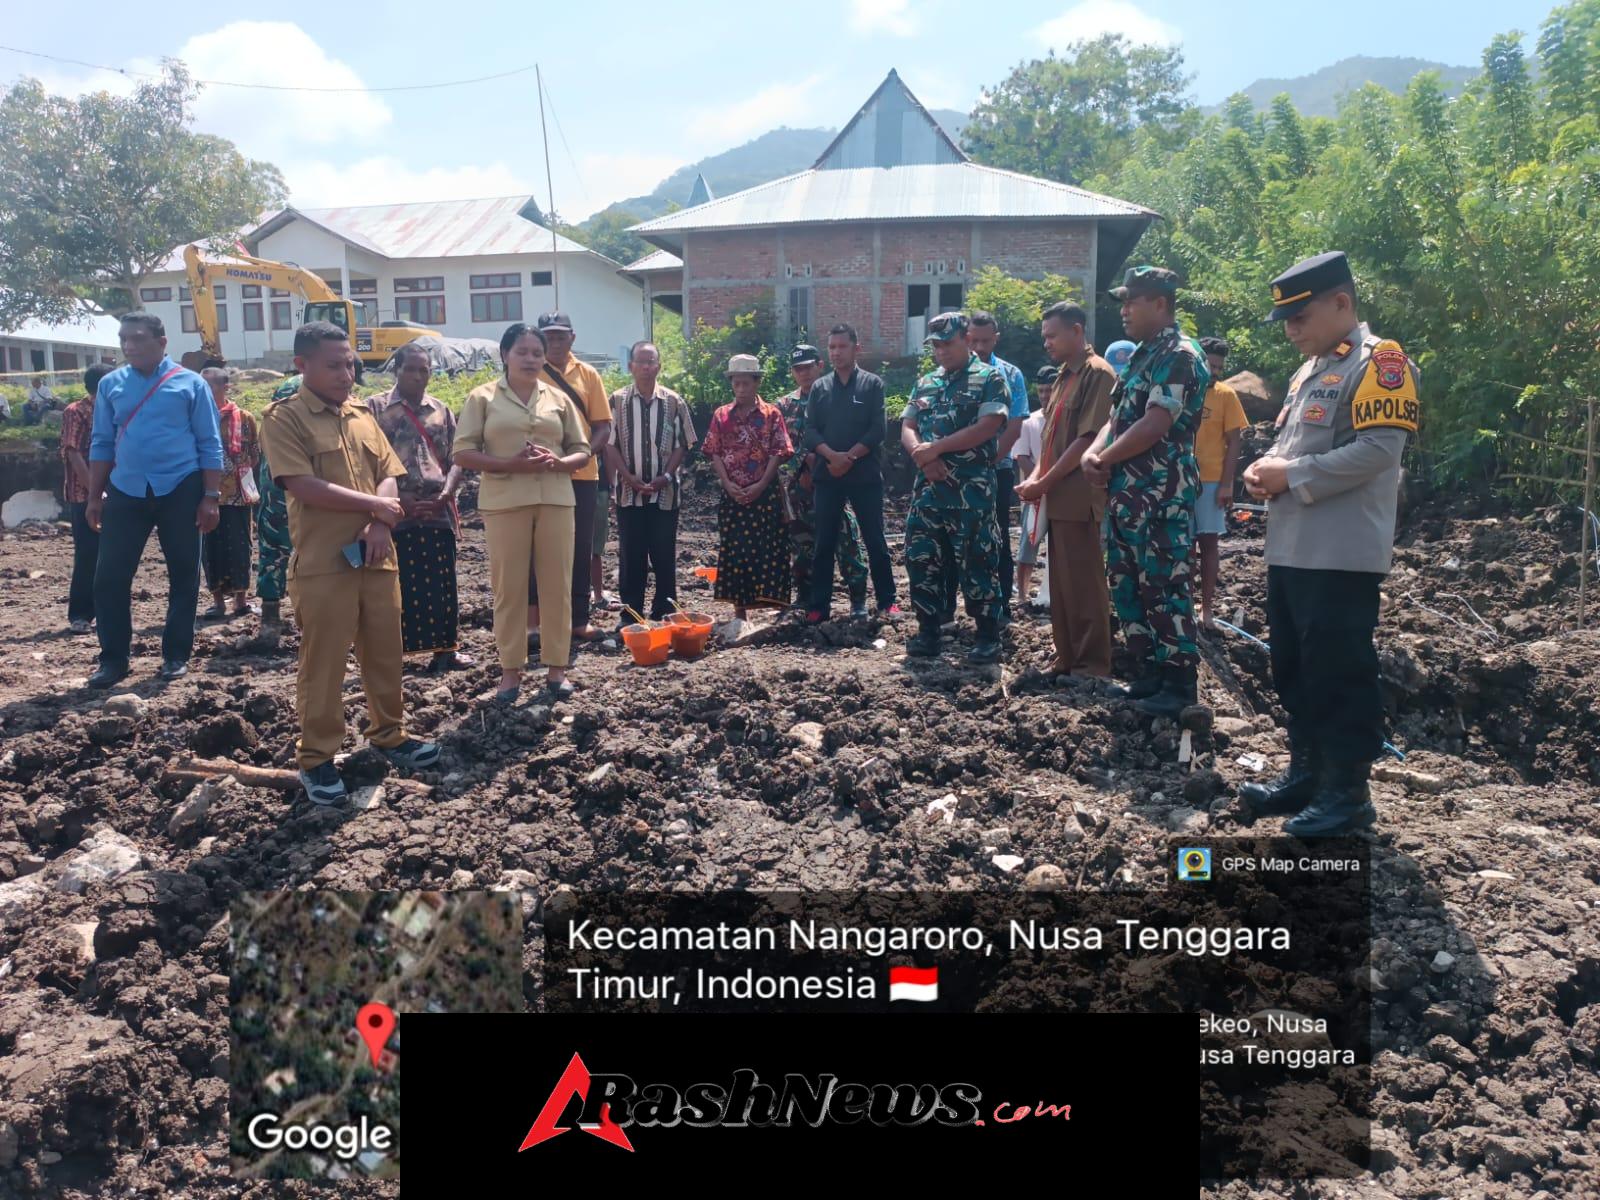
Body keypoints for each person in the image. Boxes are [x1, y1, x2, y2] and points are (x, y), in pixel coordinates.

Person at [1241, 251, 1418, 836]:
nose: (1292, 330)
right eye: (1286, 321)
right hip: (1292, 547)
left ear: (1342, 303)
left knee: (1339, 669)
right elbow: (1300, 446)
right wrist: (1270, 465)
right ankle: (1307, 775)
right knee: (1295, 666)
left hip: (1341, 554)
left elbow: (1378, 452)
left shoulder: (1381, 363)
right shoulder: (1309, 371)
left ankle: (1347, 793)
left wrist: (1289, 475)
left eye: (1301, 317)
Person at [258, 322, 440, 804]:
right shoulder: (284, 418)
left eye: (350, 364)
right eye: (334, 364)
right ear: (303, 366)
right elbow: (301, 484)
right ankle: (316, 757)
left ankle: (390, 734)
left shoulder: (361, 415)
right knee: (324, 664)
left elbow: (388, 475)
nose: (347, 373)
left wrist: (380, 520)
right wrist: (374, 507)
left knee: (385, 651)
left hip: (377, 555)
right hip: (323, 565)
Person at [1081, 267, 1210, 715]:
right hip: (1125, 495)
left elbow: (1156, 423)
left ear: (1160, 304)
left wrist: (1106, 458)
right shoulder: (1141, 355)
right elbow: (1115, 421)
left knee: (1164, 586)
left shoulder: (1180, 355)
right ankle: (1149, 674)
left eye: (1132, 301)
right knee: (1128, 585)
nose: (1124, 310)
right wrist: (1093, 455)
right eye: (1123, 301)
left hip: (1160, 496)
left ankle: (1178, 685)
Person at [84, 313, 224, 689]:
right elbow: (101, 443)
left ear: (162, 343)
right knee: (109, 578)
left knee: (184, 574)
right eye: (124, 338)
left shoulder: (190, 384)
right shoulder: (111, 385)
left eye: (138, 338)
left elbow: (210, 443)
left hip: (181, 487)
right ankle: (113, 660)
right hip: (126, 490)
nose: (129, 345)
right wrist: (95, 494)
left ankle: (176, 655)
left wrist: (210, 496)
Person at [454, 323, 591, 704]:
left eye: (537, 352)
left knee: (556, 586)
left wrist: (560, 462)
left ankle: (556, 670)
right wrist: (507, 463)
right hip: (504, 502)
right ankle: (510, 673)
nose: (531, 359)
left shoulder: (558, 399)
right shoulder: (482, 398)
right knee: (509, 589)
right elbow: (462, 452)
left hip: (555, 500)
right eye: (522, 351)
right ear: (504, 355)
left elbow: (582, 449)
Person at [1016, 303, 1118, 677]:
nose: (1047, 342)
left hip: (1078, 497)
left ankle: (1092, 663)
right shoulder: (1063, 376)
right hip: (1057, 496)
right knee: (1060, 584)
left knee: (1084, 583)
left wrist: (1044, 481)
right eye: (1044, 336)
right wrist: (1036, 479)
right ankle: (1068, 655)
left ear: (1077, 331)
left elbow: (1087, 439)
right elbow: (1051, 438)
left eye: (1052, 335)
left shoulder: (1098, 374)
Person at [901, 313, 1009, 662]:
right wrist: (924, 457)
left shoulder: (989, 378)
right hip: (929, 488)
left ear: (966, 338)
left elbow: (989, 426)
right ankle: (929, 630)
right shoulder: (926, 382)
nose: (941, 351)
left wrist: (938, 448)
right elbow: (908, 425)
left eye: (948, 343)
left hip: (970, 489)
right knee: (921, 557)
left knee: (977, 558)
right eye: (936, 345)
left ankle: (987, 635)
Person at [371, 344, 472, 672]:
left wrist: (446, 492)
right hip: (394, 508)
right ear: (396, 370)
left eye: (424, 370)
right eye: (410, 369)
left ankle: (445, 650)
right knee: (395, 583)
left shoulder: (441, 410)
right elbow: (365, 461)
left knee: (442, 581)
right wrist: (398, 498)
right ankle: (392, 654)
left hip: (436, 507)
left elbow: (458, 457)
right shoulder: (374, 409)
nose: (417, 376)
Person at [798, 328, 899, 619]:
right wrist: (832, 457)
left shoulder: (872, 385)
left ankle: (887, 601)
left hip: (864, 475)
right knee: (824, 543)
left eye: (842, 346)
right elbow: (811, 431)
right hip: (828, 475)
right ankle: (819, 606)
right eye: (831, 347)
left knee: (875, 540)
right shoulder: (820, 388)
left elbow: (877, 430)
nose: (836, 352)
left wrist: (850, 457)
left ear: (857, 348)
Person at [528, 312, 612, 646]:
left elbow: (603, 425)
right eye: (548, 336)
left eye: (561, 336)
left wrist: (581, 455)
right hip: (538, 474)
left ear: (572, 338)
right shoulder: (529, 373)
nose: (555, 342)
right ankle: (534, 624)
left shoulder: (588, 375)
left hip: (581, 475)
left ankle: (578, 620)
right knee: (536, 547)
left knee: (579, 549)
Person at [607, 341, 697, 621]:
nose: (646, 367)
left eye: (651, 362)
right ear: (631, 366)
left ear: (658, 366)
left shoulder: (673, 401)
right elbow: (610, 445)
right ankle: (631, 614)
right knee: (631, 555)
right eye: (640, 362)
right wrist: (627, 476)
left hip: (665, 493)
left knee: (663, 553)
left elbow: (684, 443)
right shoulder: (617, 400)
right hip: (628, 493)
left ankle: (664, 611)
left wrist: (666, 476)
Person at [953, 311, 1030, 625]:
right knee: (957, 538)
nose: (980, 347)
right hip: (958, 471)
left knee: (996, 537)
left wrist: (988, 460)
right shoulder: (954, 372)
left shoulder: (1010, 374)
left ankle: (1001, 606)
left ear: (996, 338)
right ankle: (960, 603)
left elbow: (1014, 424)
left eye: (986, 341)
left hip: (996, 468)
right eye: (975, 340)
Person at [702, 354, 792, 621]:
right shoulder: (721, 415)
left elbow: (780, 450)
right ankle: (740, 610)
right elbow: (713, 451)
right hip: (734, 494)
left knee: (772, 546)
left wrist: (762, 483)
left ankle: (778, 605)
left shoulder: (771, 414)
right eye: (736, 383)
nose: (740, 389)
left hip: (765, 493)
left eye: (746, 383)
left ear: (757, 382)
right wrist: (727, 484)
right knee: (735, 548)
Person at [1192, 337, 1248, 630]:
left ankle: (1207, 609)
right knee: (1182, 546)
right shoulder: (1184, 390)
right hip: (1179, 481)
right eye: (1210, 365)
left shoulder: (1226, 395)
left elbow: (1235, 443)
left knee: (1209, 542)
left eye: (1219, 367)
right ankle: (1184, 605)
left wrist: (1227, 484)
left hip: (1212, 481)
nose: (1214, 371)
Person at [198, 366, 260, 620]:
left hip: (237, 494)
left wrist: (234, 473)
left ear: (225, 387)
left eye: (209, 386)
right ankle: (217, 602)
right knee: (209, 548)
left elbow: (255, 453)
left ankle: (240, 600)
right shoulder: (196, 416)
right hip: (205, 493)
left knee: (240, 547)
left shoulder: (245, 418)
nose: (203, 391)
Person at [60, 364, 112, 633]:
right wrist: (95, 490)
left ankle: (106, 611)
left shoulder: (113, 409)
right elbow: (73, 452)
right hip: (85, 495)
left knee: (113, 556)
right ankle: (80, 614)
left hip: (115, 493)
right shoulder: (76, 411)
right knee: (88, 554)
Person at [255, 373, 301, 630]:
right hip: (287, 490)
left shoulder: (272, 419)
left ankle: (270, 618)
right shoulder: (301, 392)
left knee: (272, 552)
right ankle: (273, 618)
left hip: (274, 488)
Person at [1011, 363, 1054, 609]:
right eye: (1042, 391)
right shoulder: (1030, 422)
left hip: (1060, 492)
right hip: (1034, 493)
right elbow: (1022, 457)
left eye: (1050, 390)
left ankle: (1053, 593)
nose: (1046, 395)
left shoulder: (1068, 420)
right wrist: (1039, 484)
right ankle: (1023, 595)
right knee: (1028, 545)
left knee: (1058, 547)